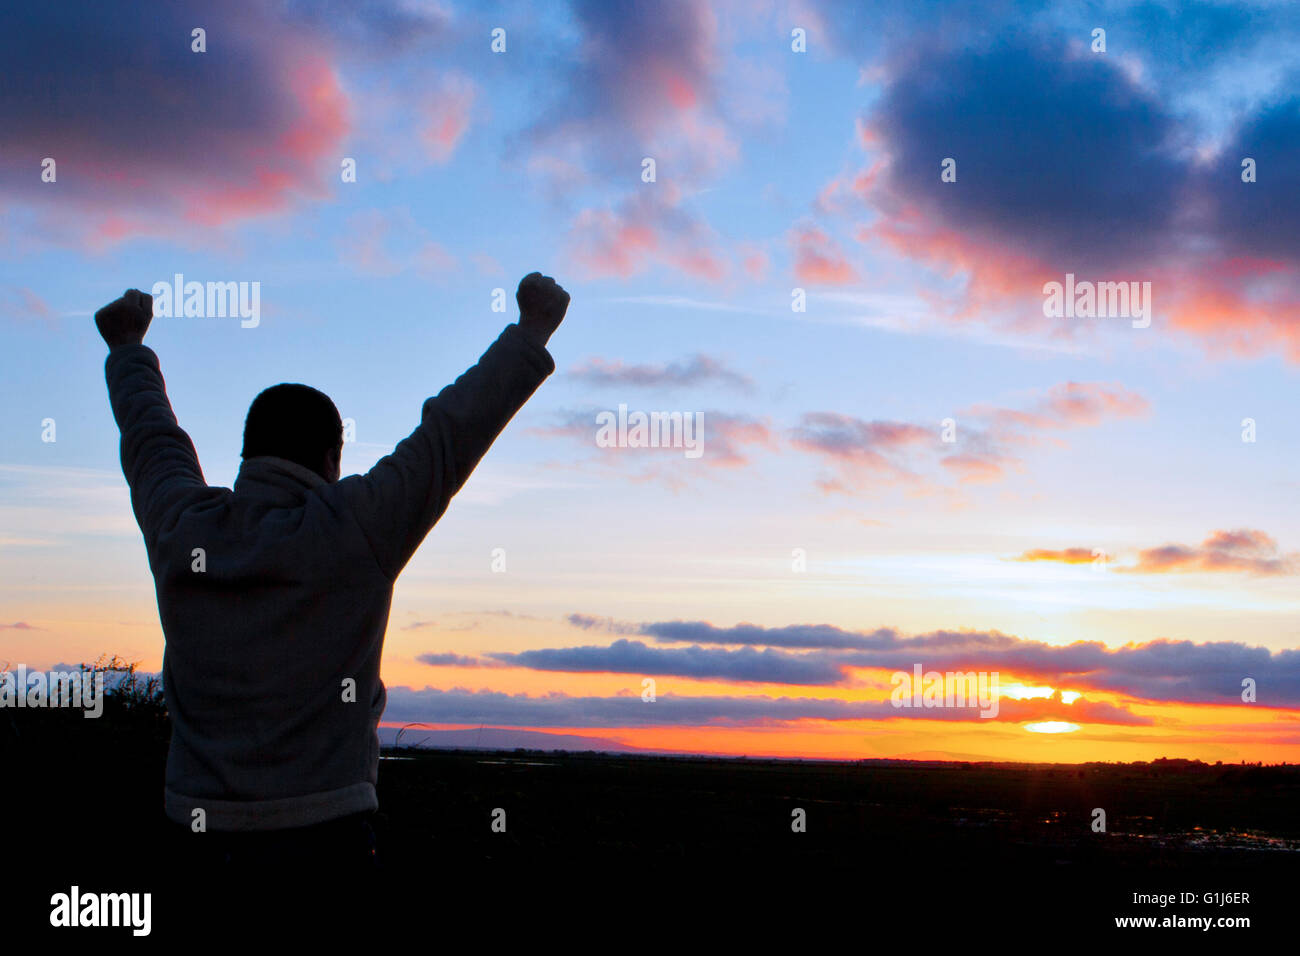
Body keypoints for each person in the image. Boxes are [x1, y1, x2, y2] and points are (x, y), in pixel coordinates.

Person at [95, 273, 569, 901]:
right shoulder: (355, 528)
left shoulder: (182, 528)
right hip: (325, 853)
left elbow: (152, 441)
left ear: (247, 455)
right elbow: (451, 434)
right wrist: (531, 329)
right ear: (329, 458)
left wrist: (127, 348)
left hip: (193, 844)